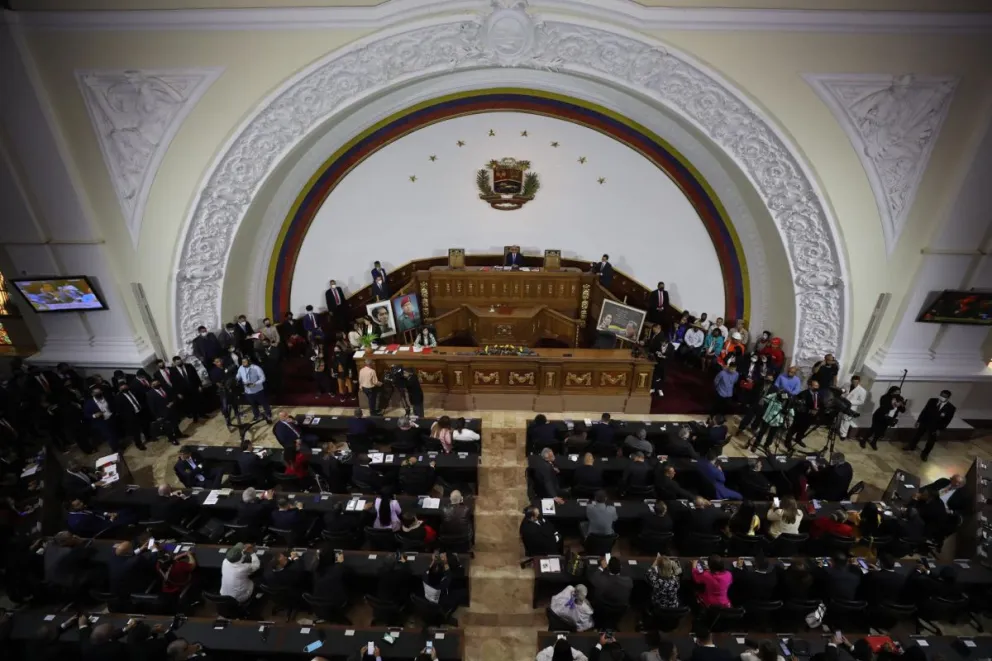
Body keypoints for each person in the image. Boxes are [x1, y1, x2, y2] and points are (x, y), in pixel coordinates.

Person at [905, 389, 956, 461]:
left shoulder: (951, 408)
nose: (942, 397)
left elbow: (947, 420)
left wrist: (940, 429)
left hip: (936, 426)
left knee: (931, 441)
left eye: (944, 396)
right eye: (941, 395)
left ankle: (925, 454)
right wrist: (919, 421)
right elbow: (924, 411)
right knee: (917, 435)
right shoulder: (932, 401)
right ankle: (911, 446)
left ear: (948, 398)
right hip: (925, 422)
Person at [783, 379, 821, 450]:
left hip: (810, 417)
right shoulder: (804, 394)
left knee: (804, 429)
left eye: (817, 386)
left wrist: (817, 409)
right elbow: (800, 406)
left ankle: (798, 439)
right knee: (794, 429)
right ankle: (787, 442)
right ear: (810, 386)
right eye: (815, 386)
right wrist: (810, 411)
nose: (816, 387)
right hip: (801, 415)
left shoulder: (817, 394)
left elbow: (818, 403)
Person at [83, 385, 119, 452]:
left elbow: (112, 405)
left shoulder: (106, 397)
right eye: (96, 393)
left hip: (111, 418)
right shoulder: (89, 403)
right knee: (109, 436)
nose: (99, 394)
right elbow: (86, 415)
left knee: (115, 433)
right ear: (92, 394)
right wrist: (94, 415)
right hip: (102, 422)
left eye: (100, 392)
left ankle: (118, 445)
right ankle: (115, 450)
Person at [114, 380, 148, 451]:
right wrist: (127, 417)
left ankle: (148, 437)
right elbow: (119, 410)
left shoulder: (133, 391)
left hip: (140, 411)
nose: (124, 388)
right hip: (131, 416)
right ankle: (139, 444)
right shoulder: (118, 397)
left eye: (125, 386)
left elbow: (140, 399)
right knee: (136, 431)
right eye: (122, 388)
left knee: (144, 425)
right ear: (119, 389)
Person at [236, 356, 271, 423]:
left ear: (249, 361)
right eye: (242, 362)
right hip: (248, 391)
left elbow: (263, 378)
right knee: (253, 405)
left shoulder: (256, 368)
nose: (243, 363)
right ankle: (257, 415)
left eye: (245, 362)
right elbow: (238, 376)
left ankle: (268, 415)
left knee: (264, 403)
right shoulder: (241, 368)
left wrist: (255, 383)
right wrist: (236, 379)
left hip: (258, 390)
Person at [839, 375, 867, 439]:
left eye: (856, 382)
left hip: (851, 407)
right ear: (851, 380)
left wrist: (850, 401)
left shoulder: (862, 391)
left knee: (846, 421)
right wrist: (842, 394)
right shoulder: (846, 384)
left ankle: (843, 435)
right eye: (853, 382)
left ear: (859, 382)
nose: (854, 383)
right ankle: (838, 429)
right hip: (842, 403)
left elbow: (861, 401)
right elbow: (842, 390)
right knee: (840, 417)